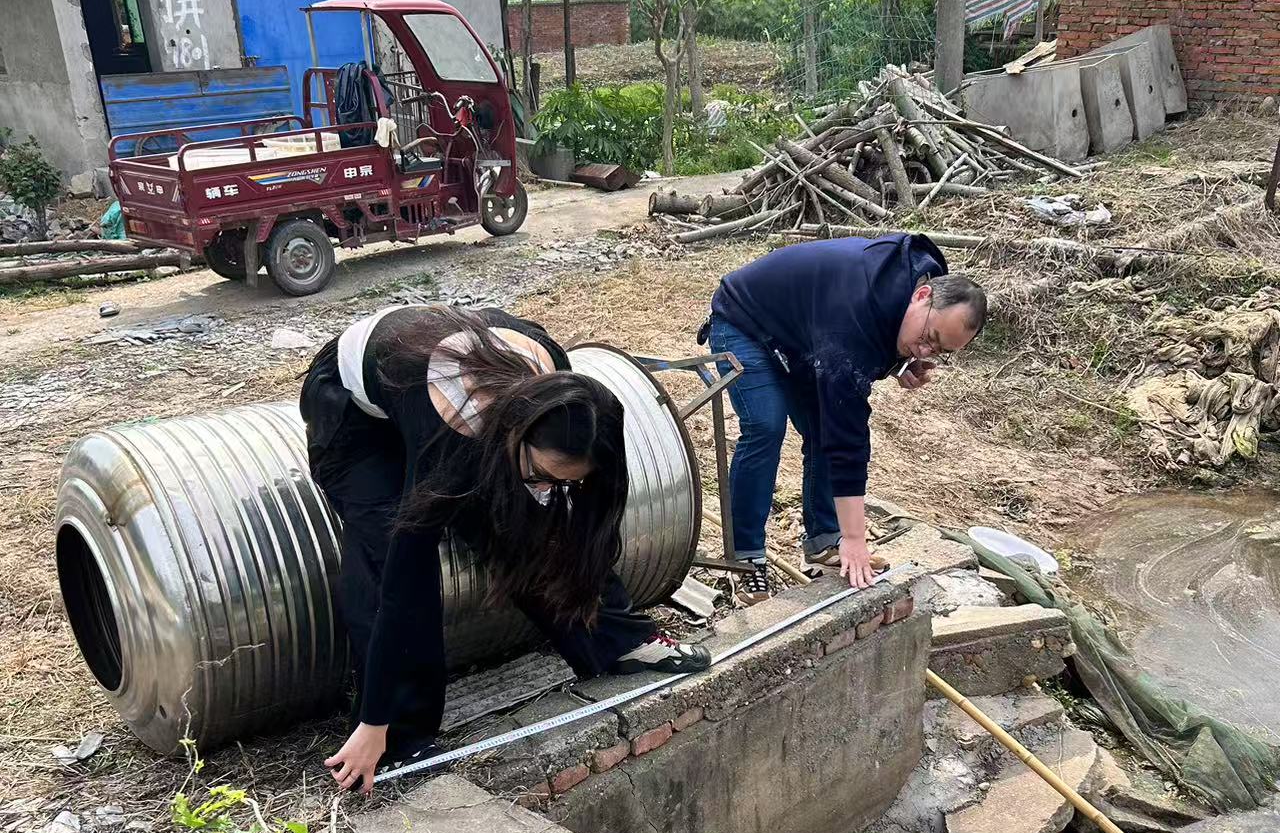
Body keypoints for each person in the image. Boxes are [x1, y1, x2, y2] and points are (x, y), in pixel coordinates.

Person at [301, 303, 709, 795]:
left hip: (455, 395)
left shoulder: (560, 391)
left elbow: (564, 519)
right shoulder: (447, 432)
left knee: (531, 519)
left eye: (565, 481)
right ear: (516, 431)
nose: (548, 487)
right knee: (389, 548)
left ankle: (617, 640)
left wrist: (542, 492)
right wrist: (375, 719)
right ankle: (399, 736)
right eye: (542, 474)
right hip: (355, 417)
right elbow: (403, 588)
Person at [702, 233, 987, 598]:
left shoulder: (915, 285)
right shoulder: (857, 307)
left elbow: (871, 345)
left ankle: (824, 539)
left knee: (823, 429)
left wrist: (899, 362)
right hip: (744, 321)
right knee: (765, 425)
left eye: (939, 350)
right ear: (922, 295)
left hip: (800, 334)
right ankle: (745, 556)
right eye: (929, 337)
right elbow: (847, 432)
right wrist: (855, 537)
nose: (925, 351)